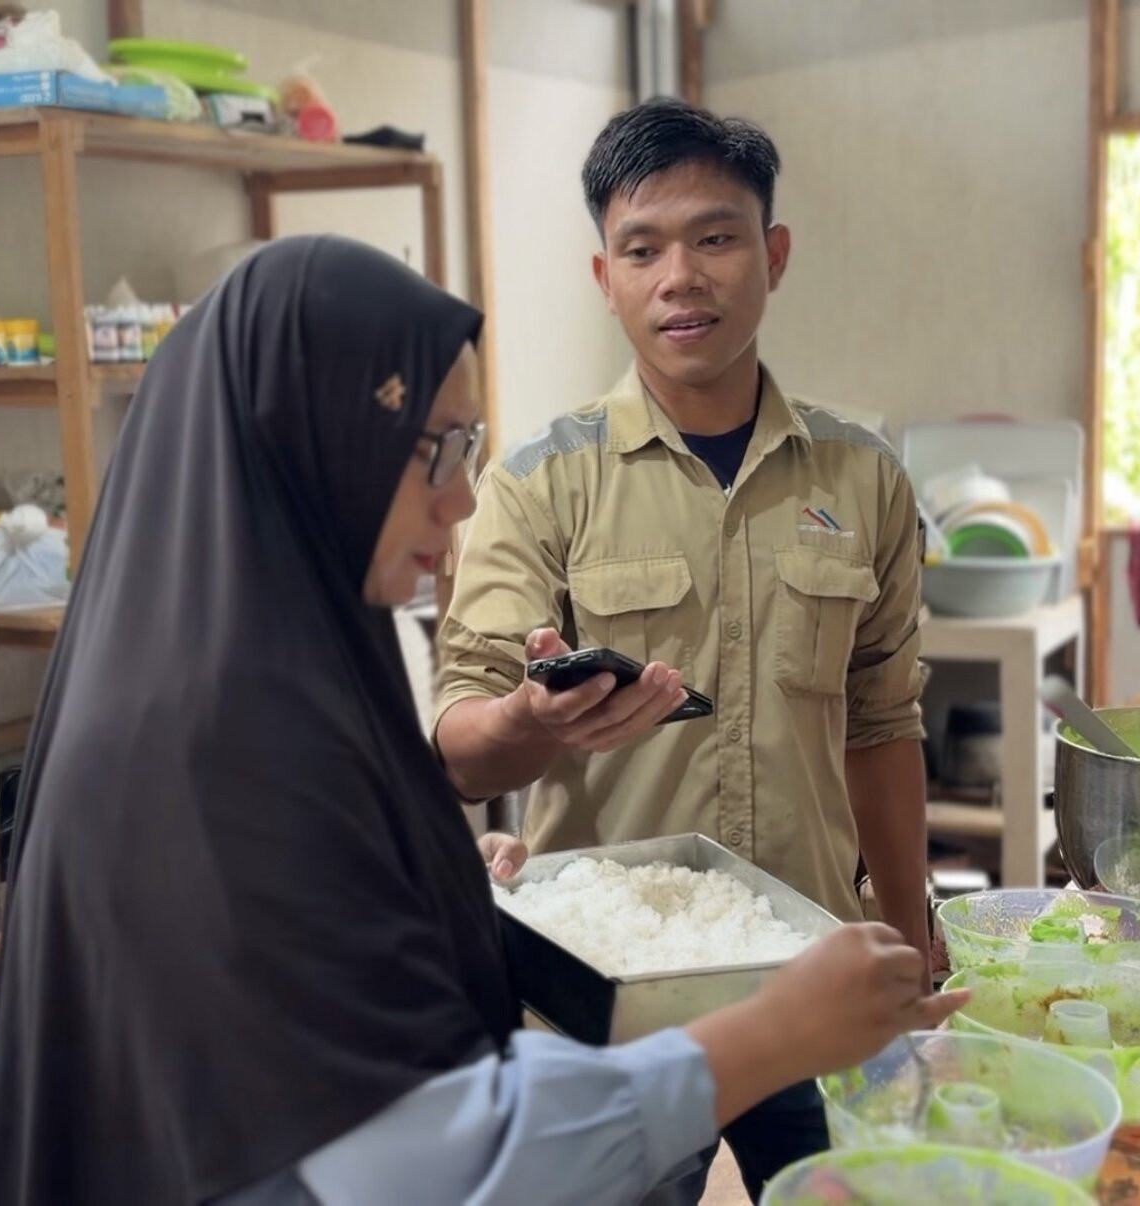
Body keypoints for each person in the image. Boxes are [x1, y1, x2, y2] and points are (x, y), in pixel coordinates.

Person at [0, 235, 964, 1206]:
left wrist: (433, 888)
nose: (456, 503)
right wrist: (771, 1034)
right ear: (311, 436)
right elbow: (430, 1160)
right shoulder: (211, 746)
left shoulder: (269, 669)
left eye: (469, 447)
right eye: (436, 451)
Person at [433, 98, 933, 1200]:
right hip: (615, 997)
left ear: (773, 253)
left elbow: (882, 718)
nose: (679, 276)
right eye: (640, 248)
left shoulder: (862, 478)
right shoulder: (537, 480)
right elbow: (459, 744)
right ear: (602, 275)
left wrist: (908, 921)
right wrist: (524, 720)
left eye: (714, 237)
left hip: (815, 967)